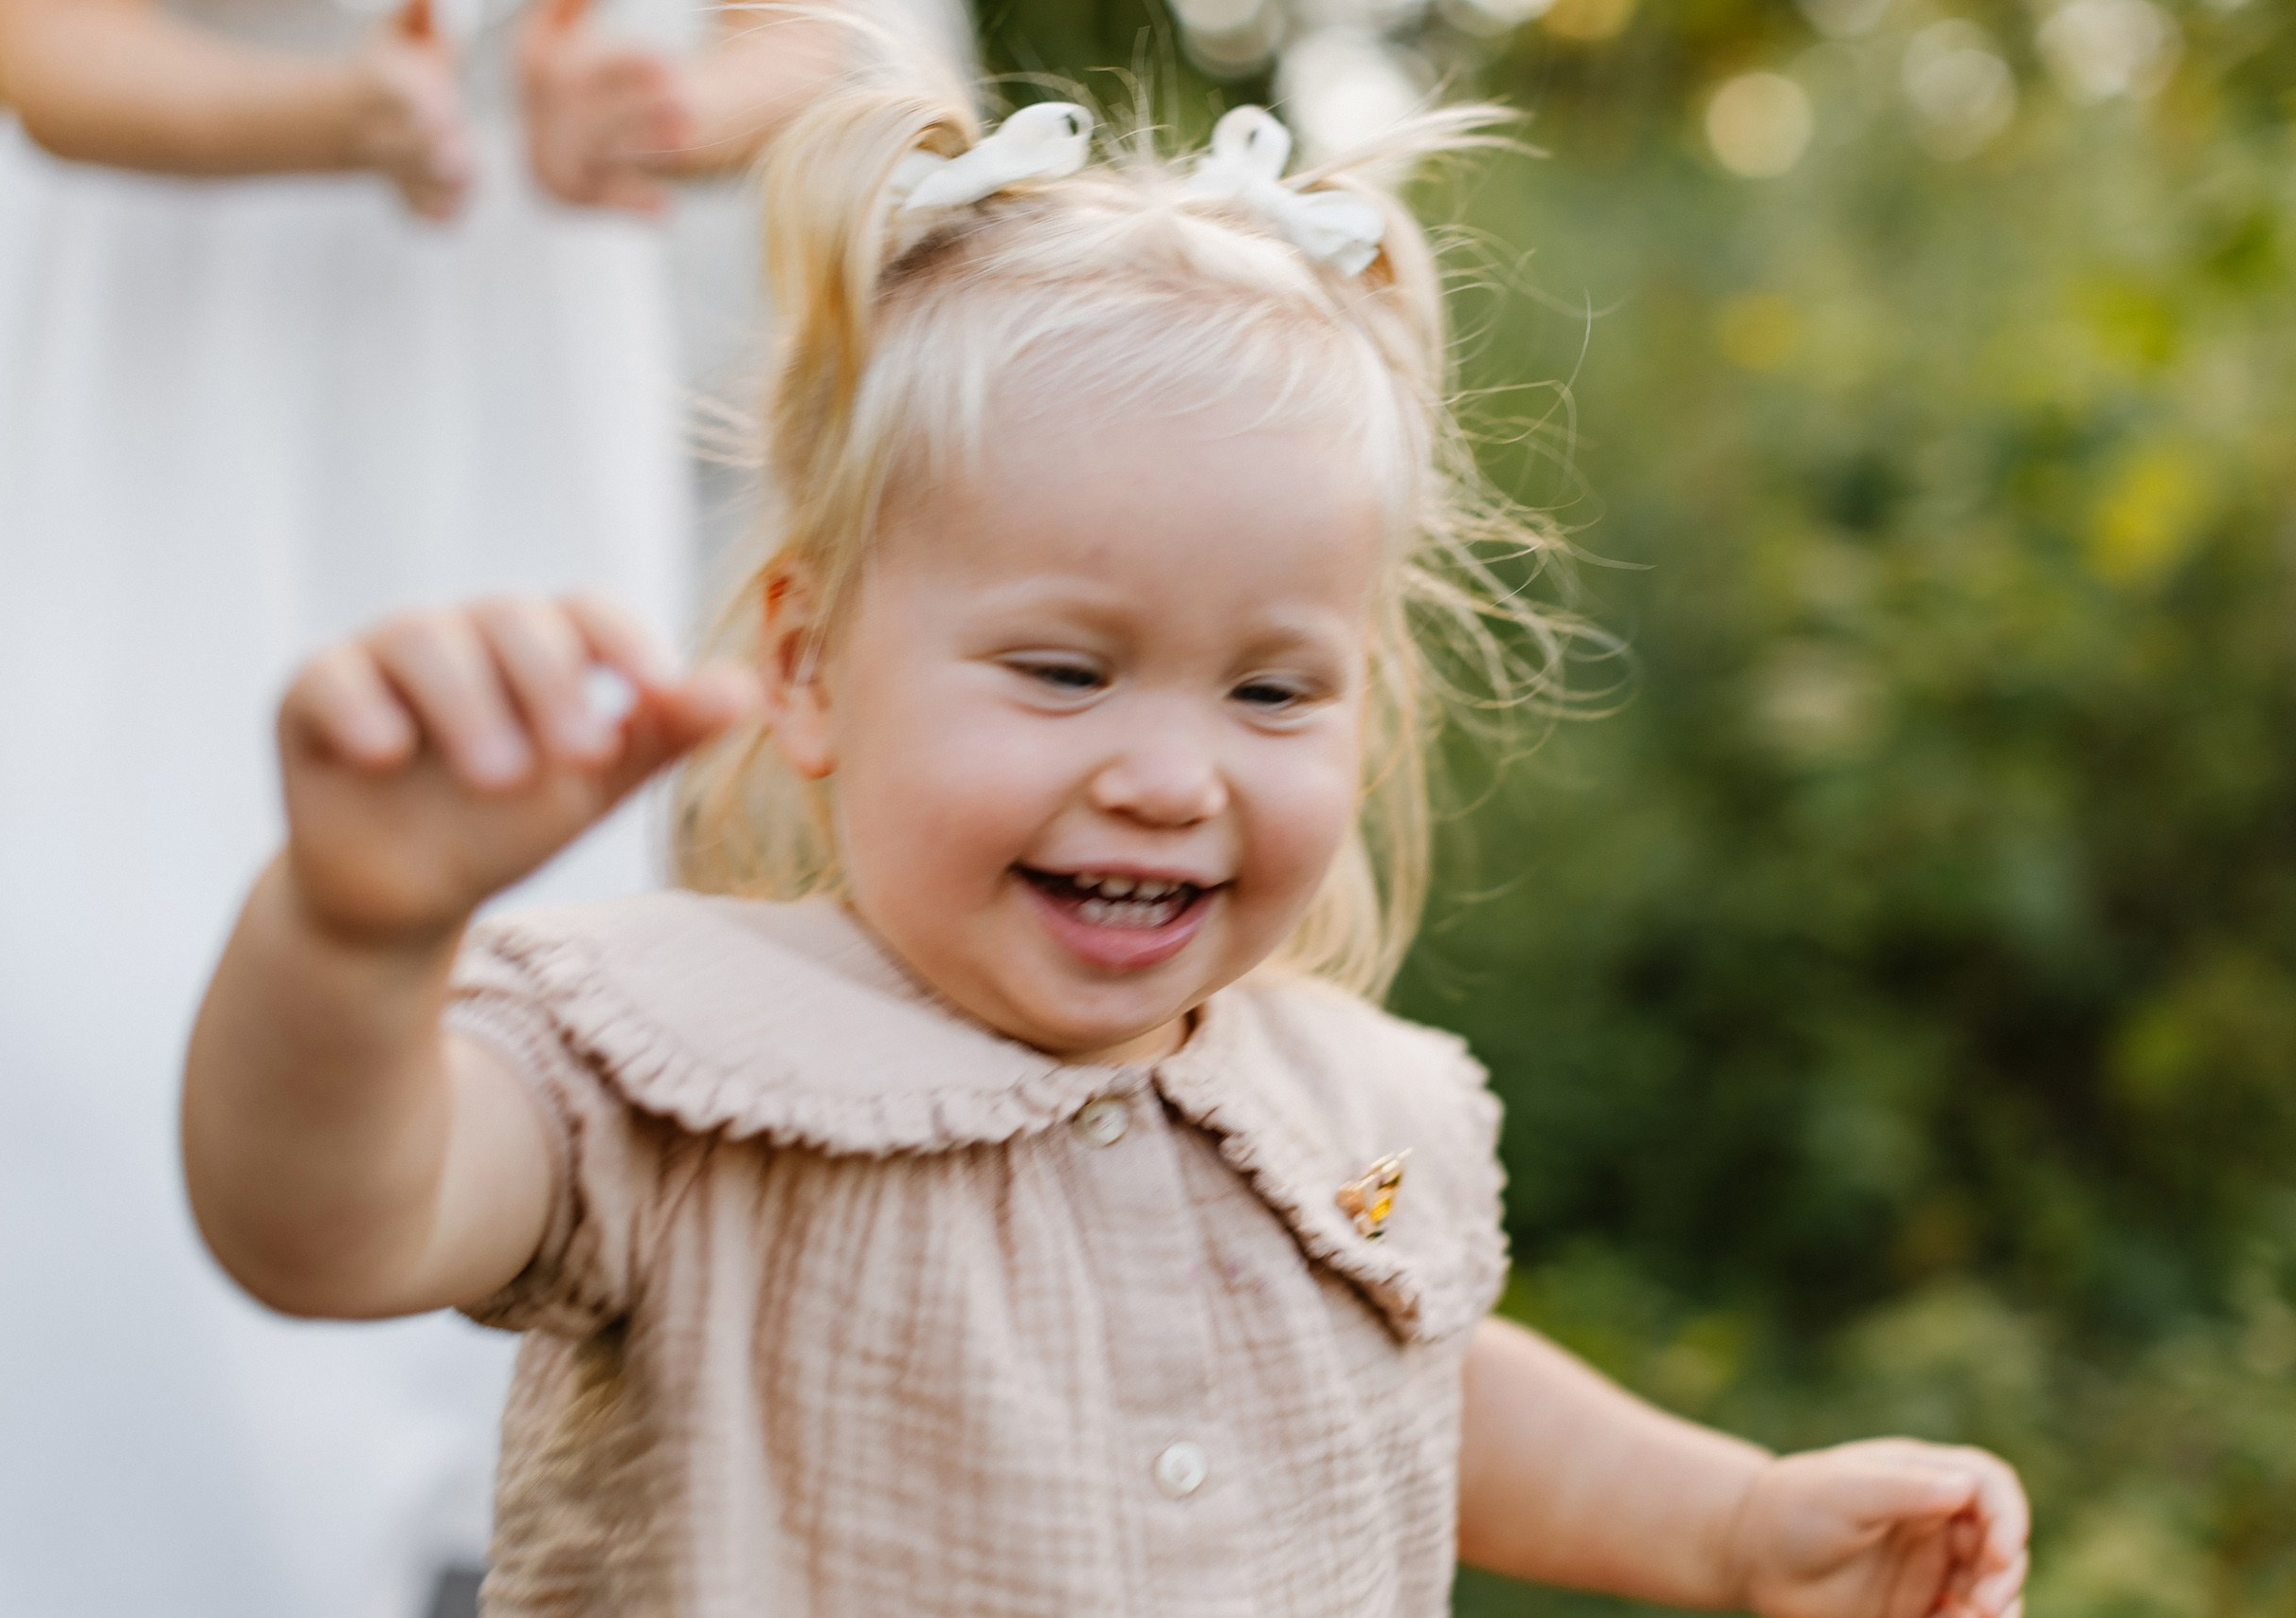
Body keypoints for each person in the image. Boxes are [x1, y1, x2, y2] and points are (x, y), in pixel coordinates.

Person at [180, 80, 2034, 1616]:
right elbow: (326, 1220)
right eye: (1064, 671)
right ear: (809, 667)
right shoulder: (666, 1063)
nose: (1168, 774)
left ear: (1368, 706)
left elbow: (1421, 1371)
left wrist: (1723, 1516)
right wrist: (355, 933)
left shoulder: (1357, 1135)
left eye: (1270, 691)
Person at [0, 0, 835, 1612]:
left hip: (506, 379)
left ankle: (431, 1543)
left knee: (505, 1014)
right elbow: (46, 46)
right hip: (155, 352)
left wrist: (672, 103)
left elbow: (819, 43)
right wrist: (342, 124)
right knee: (69, 996)